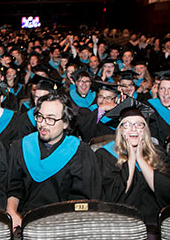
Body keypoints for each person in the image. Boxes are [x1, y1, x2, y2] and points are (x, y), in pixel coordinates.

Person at [6, 93, 101, 229]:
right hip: (24, 222)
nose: (43, 124)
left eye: (50, 119)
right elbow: (14, 188)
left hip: (65, 225)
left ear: (66, 123)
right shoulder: (22, 146)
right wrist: (11, 211)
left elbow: (85, 201)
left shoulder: (80, 152)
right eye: (40, 117)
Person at [97, 98, 170, 225]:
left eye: (139, 124)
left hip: (154, 223)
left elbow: (166, 191)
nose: (133, 129)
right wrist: (132, 159)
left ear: (145, 129)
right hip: (121, 221)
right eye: (127, 124)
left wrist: (140, 158)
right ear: (120, 130)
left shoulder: (158, 153)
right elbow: (113, 197)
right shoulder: (105, 155)